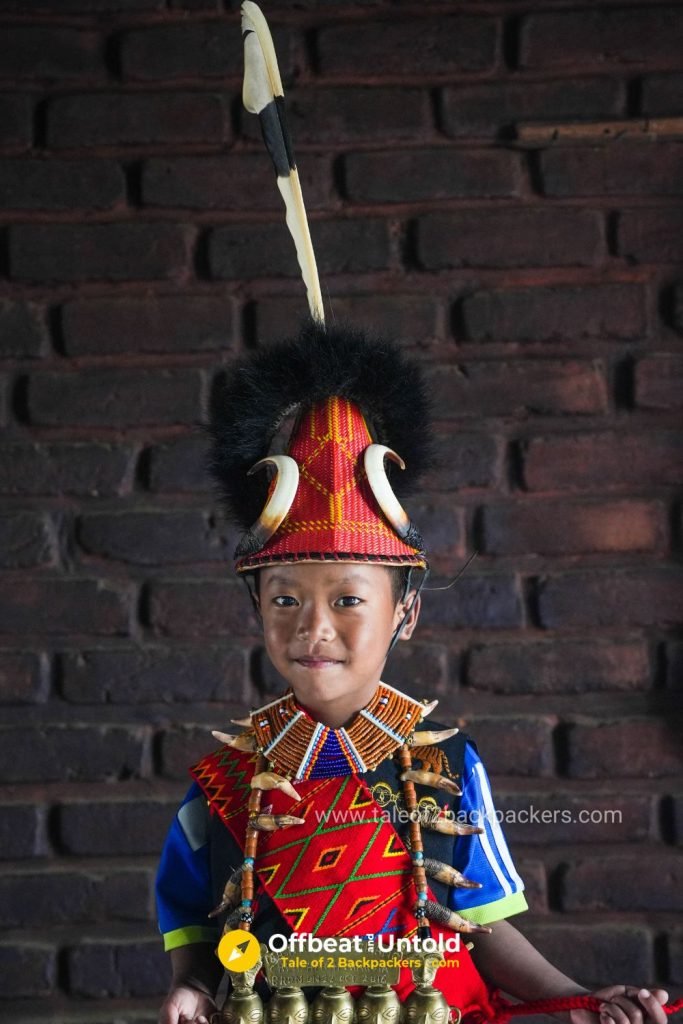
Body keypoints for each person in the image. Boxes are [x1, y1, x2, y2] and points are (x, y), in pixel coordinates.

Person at [155, 6, 670, 1024]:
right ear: (255, 607)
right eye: (285, 600)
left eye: (347, 597)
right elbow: (202, 933)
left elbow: (482, 924)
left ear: (406, 613)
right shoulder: (224, 780)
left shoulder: (443, 770)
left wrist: (578, 999)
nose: (313, 627)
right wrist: (186, 989)